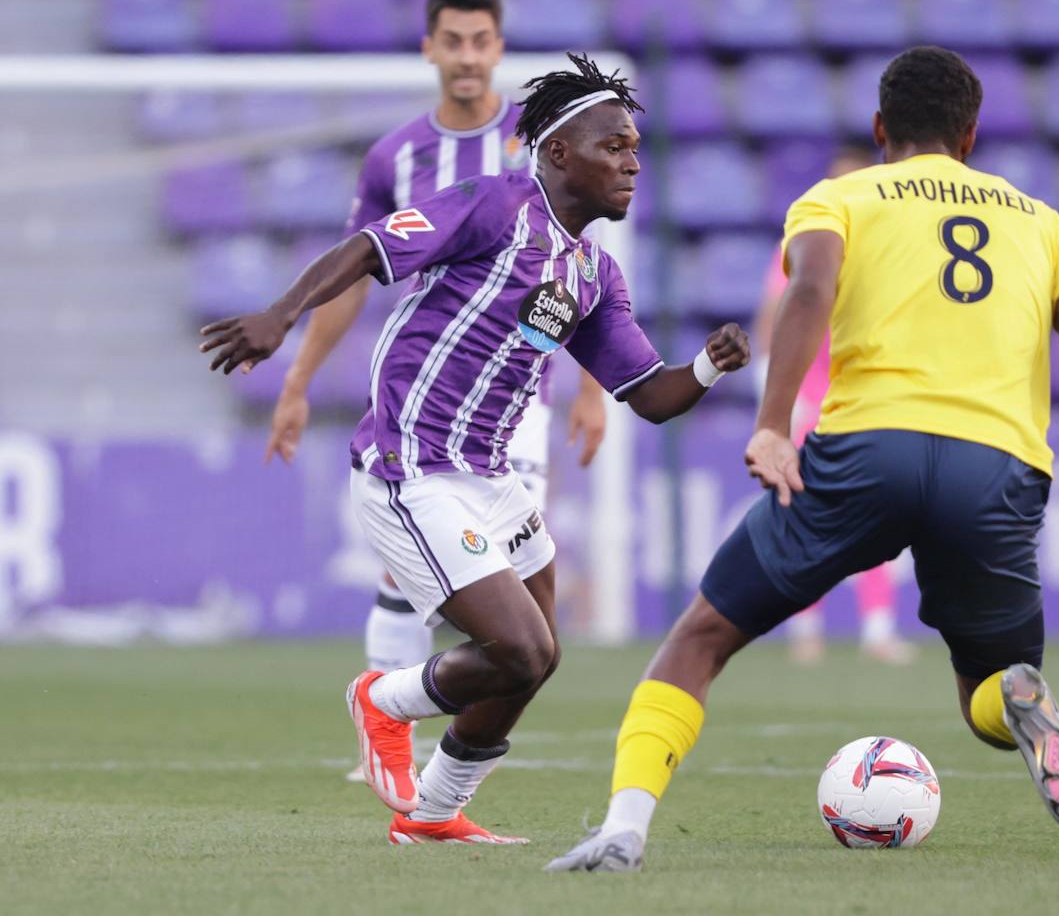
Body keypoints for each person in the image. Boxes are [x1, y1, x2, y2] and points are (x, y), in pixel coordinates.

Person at [548, 46, 1059, 873]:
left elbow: (807, 294)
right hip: (998, 468)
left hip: (866, 452)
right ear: (971, 135)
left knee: (699, 639)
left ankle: (623, 829)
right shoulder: (1040, 221)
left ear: (881, 129)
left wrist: (774, 423)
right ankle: (1017, 699)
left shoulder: (839, 197)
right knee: (989, 680)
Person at [199, 54, 750, 846]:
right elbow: (366, 247)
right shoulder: (492, 207)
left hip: (492, 480)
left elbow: (652, 399)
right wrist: (281, 317)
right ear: (560, 153)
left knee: (542, 654)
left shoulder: (593, 275)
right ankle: (383, 701)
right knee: (518, 649)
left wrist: (707, 366)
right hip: (411, 468)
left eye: (636, 147)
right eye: (614, 145)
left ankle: (430, 815)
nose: (632, 161)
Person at [261, 0, 609, 727]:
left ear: (499, 49)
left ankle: (447, 750)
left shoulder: (538, 139)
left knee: (510, 583)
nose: (467, 56)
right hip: (429, 396)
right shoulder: (396, 157)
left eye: (481, 41)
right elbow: (355, 275)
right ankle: (389, 730)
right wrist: (298, 379)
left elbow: (578, 268)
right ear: (429, 49)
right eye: (452, 41)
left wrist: (590, 389)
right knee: (416, 567)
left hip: (521, 403)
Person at [752, 142, 915, 666]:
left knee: (878, 516)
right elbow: (774, 312)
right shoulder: (806, 242)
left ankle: (877, 629)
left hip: (869, 400)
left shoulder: (888, 250)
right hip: (811, 399)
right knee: (804, 514)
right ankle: (805, 630)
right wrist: (769, 386)